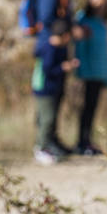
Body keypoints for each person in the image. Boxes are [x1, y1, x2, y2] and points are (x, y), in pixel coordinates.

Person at [73, 0, 107, 156]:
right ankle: (82, 142)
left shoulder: (102, 21)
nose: (100, 3)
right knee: (86, 108)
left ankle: (87, 140)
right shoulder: (83, 19)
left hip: (100, 72)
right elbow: (79, 46)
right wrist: (81, 69)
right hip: (88, 71)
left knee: (93, 108)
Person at [33, 18, 77, 164]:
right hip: (45, 89)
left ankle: (48, 146)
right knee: (46, 119)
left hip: (53, 89)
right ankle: (41, 148)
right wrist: (63, 67)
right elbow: (48, 70)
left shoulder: (59, 48)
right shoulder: (49, 48)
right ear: (65, 35)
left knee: (50, 119)